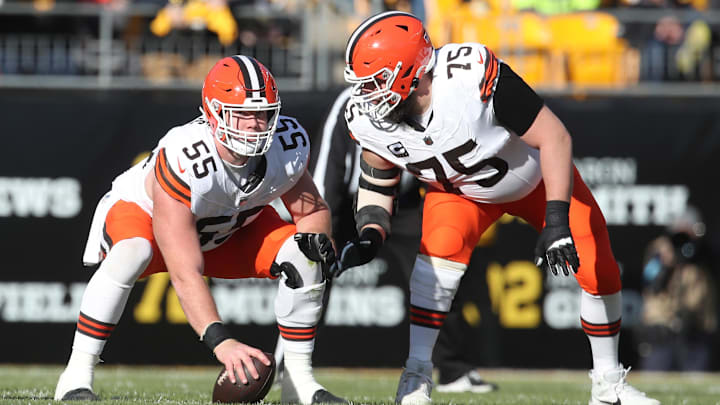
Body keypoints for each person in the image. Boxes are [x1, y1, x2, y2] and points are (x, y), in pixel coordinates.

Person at [338, 11, 661, 405]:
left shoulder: (468, 79)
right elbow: (377, 177)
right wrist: (370, 232)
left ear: (410, 72)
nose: (367, 96)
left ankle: (608, 384)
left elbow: (555, 137)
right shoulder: (372, 119)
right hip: (458, 193)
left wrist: (556, 219)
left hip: (535, 180)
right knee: (435, 263)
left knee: (597, 264)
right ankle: (417, 374)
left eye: (375, 82)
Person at [54, 55, 348, 405]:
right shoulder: (187, 156)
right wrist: (221, 341)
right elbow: (184, 271)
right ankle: (76, 375)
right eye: (242, 113)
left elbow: (313, 212)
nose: (255, 124)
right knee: (132, 251)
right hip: (148, 220)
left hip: (228, 230)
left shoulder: (286, 144)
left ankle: (298, 384)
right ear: (214, 112)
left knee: (305, 253)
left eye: (263, 112)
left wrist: (319, 244)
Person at [313, 87, 497, 393]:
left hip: (403, 199)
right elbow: (326, 169)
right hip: (345, 202)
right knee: (313, 272)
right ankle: (288, 363)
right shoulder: (350, 102)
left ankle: (452, 369)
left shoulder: (427, 96)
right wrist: (323, 225)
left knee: (436, 270)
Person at [638, 206, 717, 371]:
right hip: (661, 331)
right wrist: (667, 263)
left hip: (696, 331)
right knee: (654, 385)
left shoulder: (705, 251)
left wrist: (697, 251)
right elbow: (650, 282)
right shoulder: (660, 249)